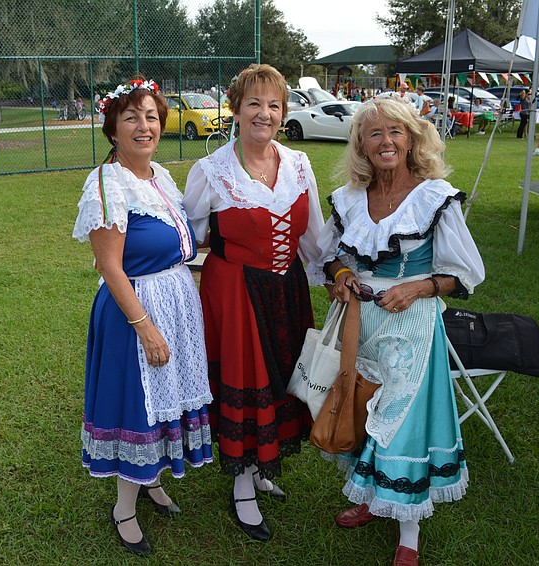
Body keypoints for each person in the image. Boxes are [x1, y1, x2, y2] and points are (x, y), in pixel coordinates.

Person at [317, 94, 485, 566]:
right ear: (362, 145)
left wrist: (419, 288)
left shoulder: (434, 198)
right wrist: (341, 277)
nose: (386, 141)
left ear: (411, 139)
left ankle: (408, 532)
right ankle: (371, 498)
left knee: (401, 419)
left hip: (410, 324)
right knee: (361, 401)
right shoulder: (350, 199)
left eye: (395, 131)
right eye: (375, 133)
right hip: (360, 322)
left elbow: (465, 272)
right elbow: (329, 257)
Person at [183, 64, 325, 542]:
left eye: (274, 105)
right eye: (254, 104)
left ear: (283, 112)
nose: (264, 113)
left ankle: (263, 469)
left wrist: (339, 276)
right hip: (237, 293)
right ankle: (243, 484)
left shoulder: (300, 164)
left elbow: (315, 239)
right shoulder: (211, 171)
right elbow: (190, 237)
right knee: (248, 381)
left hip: (287, 290)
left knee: (280, 376)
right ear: (235, 111)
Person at [72, 76, 214, 555]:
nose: (143, 125)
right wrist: (146, 327)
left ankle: (150, 478)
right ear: (112, 128)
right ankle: (124, 507)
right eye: (131, 116)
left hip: (174, 299)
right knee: (140, 401)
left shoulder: (160, 177)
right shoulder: (107, 185)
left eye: (151, 116)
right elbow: (109, 265)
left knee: (166, 396)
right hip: (136, 311)